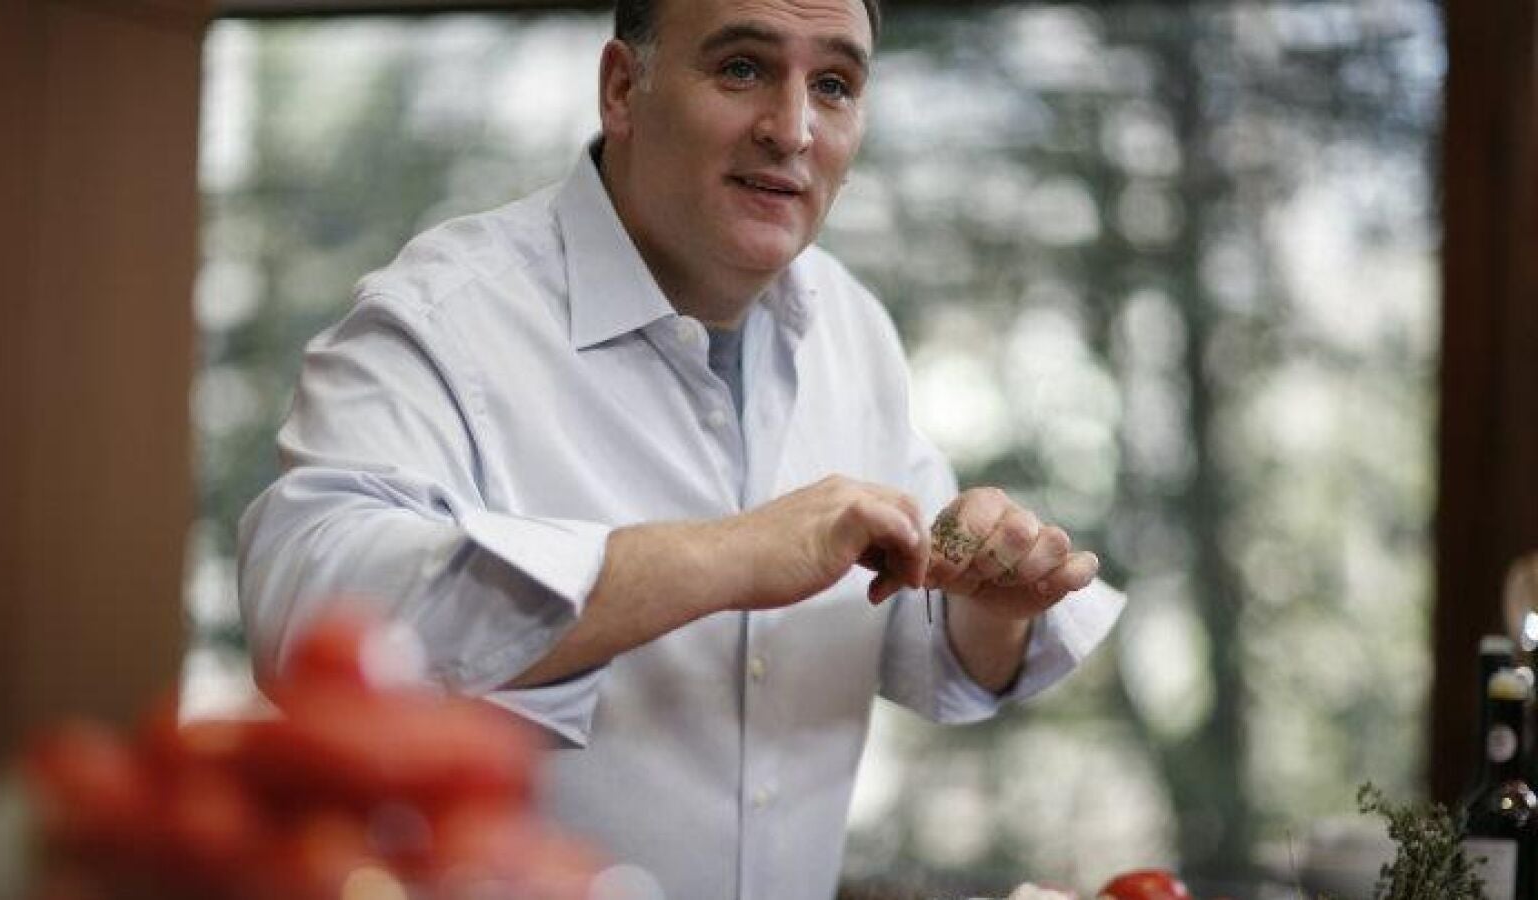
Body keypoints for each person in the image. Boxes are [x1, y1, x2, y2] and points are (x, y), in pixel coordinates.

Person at [238, 0, 1125, 896]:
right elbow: (309, 619)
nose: (792, 129)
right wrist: (729, 555)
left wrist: (989, 599)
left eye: (833, 84)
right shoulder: (443, 318)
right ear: (623, 89)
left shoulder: (854, 329)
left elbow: (930, 649)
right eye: (742, 68)